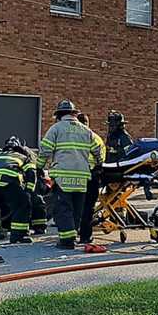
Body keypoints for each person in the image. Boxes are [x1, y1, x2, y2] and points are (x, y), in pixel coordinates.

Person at [37, 100, 104, 249]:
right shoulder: (86, 131)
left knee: (63, 209)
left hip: (63, 177)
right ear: (74, 114)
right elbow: (98, 151)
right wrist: (98, 164)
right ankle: (72, 236)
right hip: (82, 178)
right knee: (77, 209)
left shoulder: (56, 129)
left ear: (59, 115)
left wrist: (39, 167)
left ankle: (67, 241)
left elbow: (45, 150)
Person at [0, 136, 37, 244]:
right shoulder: (23, 156)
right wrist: (29, 191)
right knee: (22, 205)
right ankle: (18, 236)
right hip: (9, 181)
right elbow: (31, 173)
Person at [77, 112, 107, 244]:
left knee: (71, 206)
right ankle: (85, 237)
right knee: (88, 208)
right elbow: (101, 158)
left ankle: (67, 236)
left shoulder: (68, 138)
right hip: (90, 176)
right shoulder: (94, 137)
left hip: (71, 175)